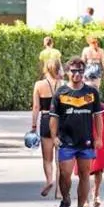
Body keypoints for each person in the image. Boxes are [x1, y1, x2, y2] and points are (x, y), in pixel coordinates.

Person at [49, 57, 104, 207]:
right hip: (66, 141)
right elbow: (53, 117)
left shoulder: (92, 93)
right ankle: (66, 199)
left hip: (86, 141)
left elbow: (98, 117)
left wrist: (98, 137)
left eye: (80, 71)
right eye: (73, 71)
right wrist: (54, 137)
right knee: (65, 174)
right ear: (67, 72)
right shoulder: (60, 93)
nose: (77, 74)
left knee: (84, 174)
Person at [75, 74, 104, 207]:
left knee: (98, 169)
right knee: (84, 171)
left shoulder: (101, 106)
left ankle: (96, 193)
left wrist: (102, 139)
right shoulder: (79, 105)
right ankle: (85, 200)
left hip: (97, 140)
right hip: (84, 139)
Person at [31, 58, 63, 197]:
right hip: (61, 121)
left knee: (47, 158)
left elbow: (36, 106)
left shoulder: (39, 85)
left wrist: (33, 125)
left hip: (45, 119)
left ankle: (49, 180)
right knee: (60, 158)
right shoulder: (64, 86)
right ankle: (60, 191)